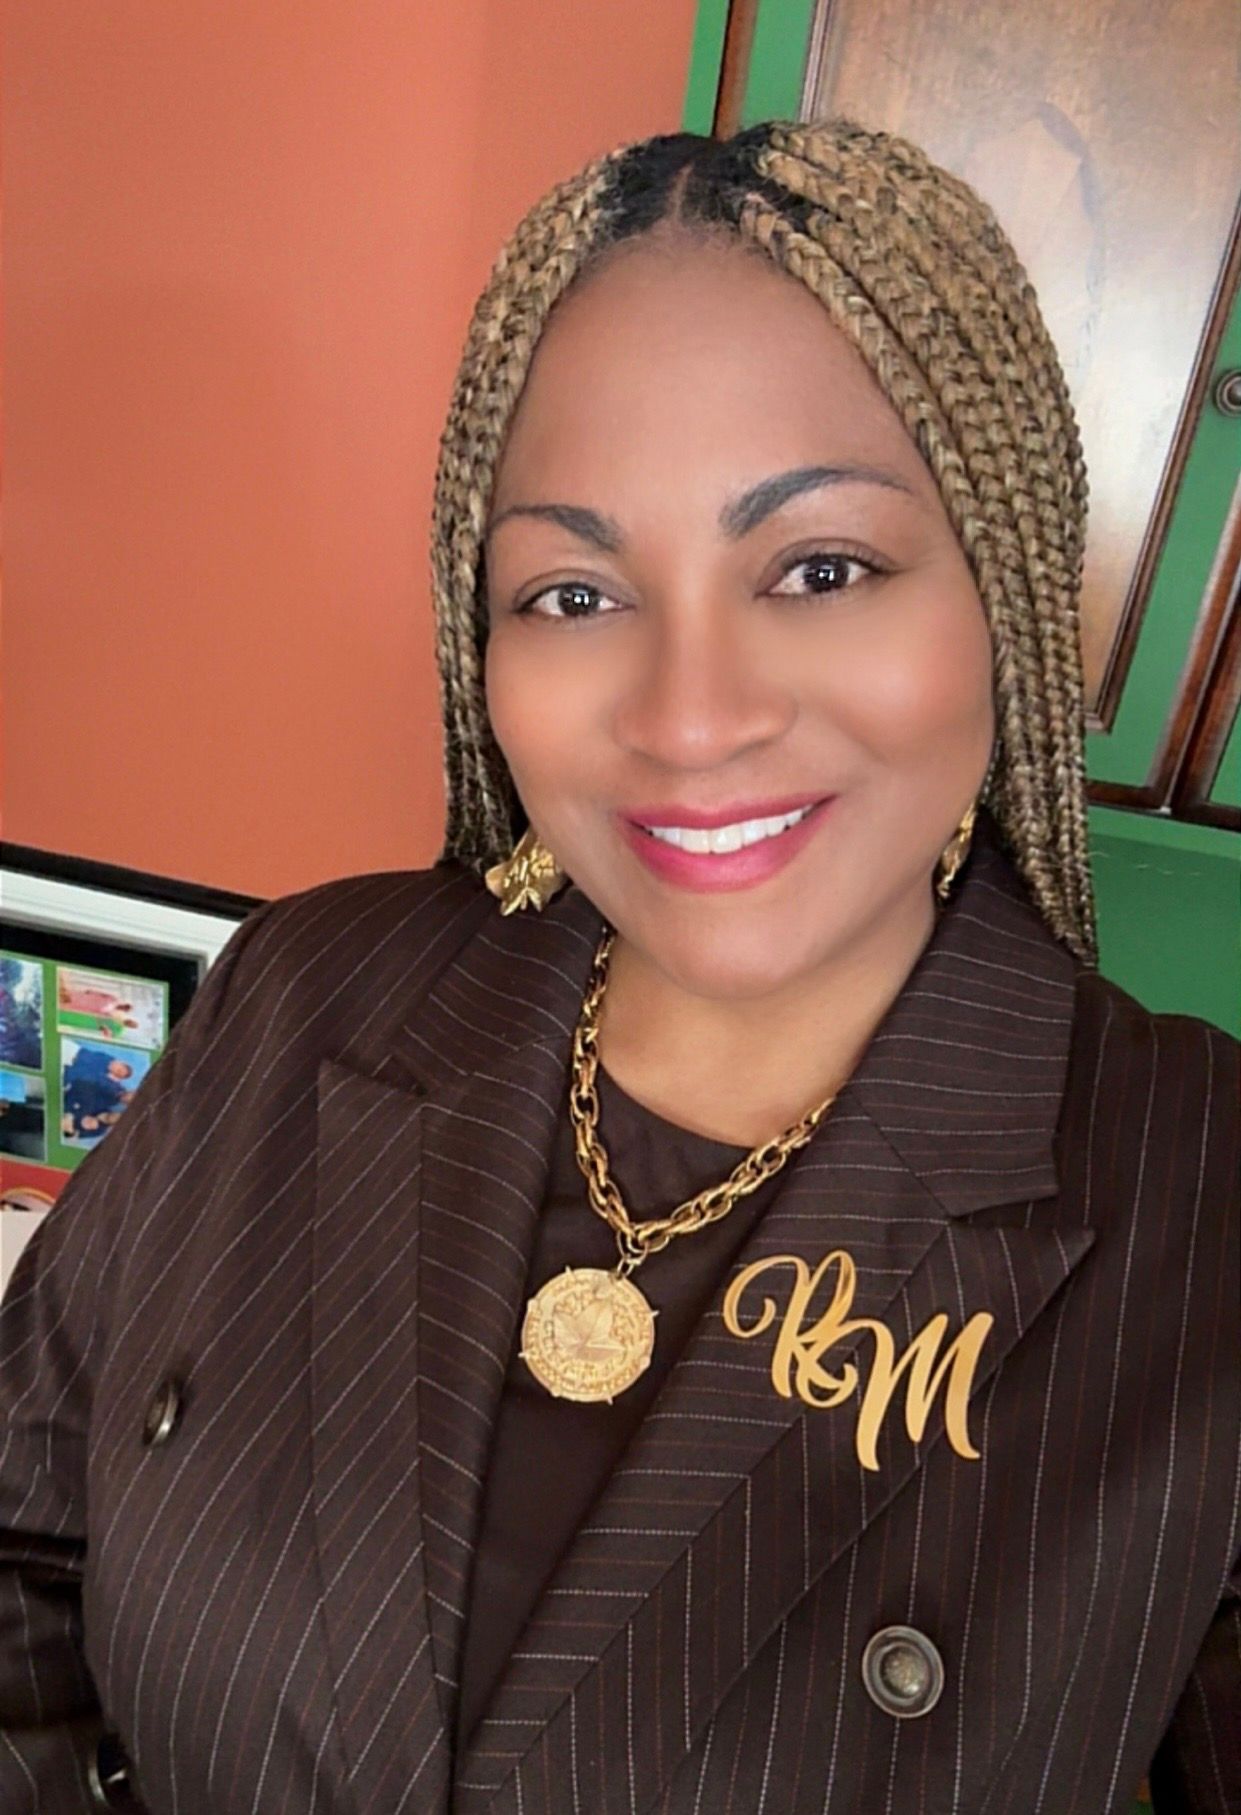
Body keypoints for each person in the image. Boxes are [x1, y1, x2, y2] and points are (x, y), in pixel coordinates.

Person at [0, 119, 1236, 1815]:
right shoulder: (307, 989)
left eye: (819, 569)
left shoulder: (1203, 1208)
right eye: (574, 595)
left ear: (1005, 601)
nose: (686, 718)